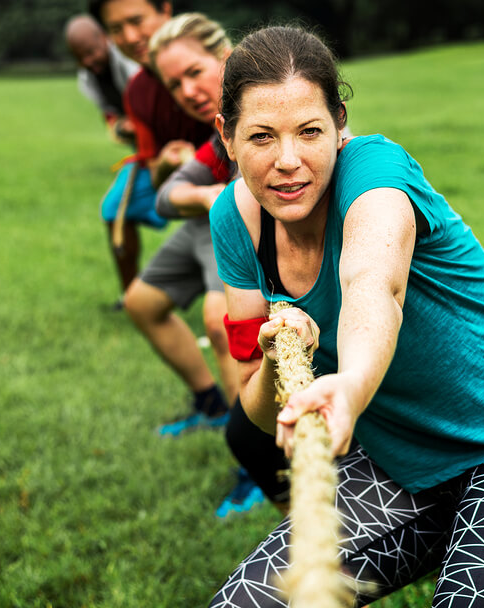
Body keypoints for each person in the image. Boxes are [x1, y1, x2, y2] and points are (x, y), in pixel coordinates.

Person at [207, 25, 484, 607]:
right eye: (262, 136)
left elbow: (375, 285)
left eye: (309, 132)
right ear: (228, 136)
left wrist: (351, 387)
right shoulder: (236, 223)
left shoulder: (375, 173)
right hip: (401, 459)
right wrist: (272, 360)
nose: (288, 162)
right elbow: (259, 413)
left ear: (340, 126)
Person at [131, 13, 288, 517]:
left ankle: (256, 457)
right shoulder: (216, 132)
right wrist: (202, 192)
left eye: (194, 72)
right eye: (174, 83)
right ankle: (212, 406)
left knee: (221, 326)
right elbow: (164, 198)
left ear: (224, 56)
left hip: (254, 225)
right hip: (213, 217)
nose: (186, 90)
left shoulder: (268, 104)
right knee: (141, 302)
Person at [89, 0, 211, 308]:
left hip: (238, 178)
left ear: (165, 10)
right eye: (116, 29)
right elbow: (154, 166)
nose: (130, 37)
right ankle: (130, 294)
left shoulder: (213, 58)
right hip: (185, 175)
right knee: (114, 207)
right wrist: (169, 165)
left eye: (137, 20)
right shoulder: (137, 91)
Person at [64, 14, 139, 147]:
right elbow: (110, 117)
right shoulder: (86, 79)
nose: (87, 61)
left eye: (90, 52)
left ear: (104, 38)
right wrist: (121, 127)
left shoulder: (130, 60)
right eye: (79, 58)